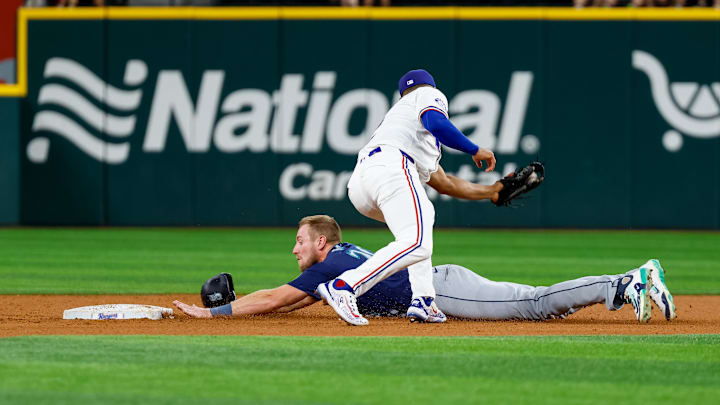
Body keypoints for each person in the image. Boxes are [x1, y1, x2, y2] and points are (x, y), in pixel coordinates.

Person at [173, 215, 677, 324]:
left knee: (535, 302)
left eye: (300, 241)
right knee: (532, 303)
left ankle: (627, 280)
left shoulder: (328, 266)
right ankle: (621, 283)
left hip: (442, 288)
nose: (295, 249)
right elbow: (297, 295)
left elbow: (279, 296)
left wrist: (216, 315)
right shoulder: (340, 265)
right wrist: (261, 309)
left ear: (322, 242)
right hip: (440, 282)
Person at [314, 68, 505, 326]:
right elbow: (436, 122)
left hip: (362, 184)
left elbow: (446, 183)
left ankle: (424, 300)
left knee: (421, 222)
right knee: (418, 242)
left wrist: (492, 191)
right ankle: (345, 285)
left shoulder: (402, 126)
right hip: (391, 168)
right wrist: (475, 148)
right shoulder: (427, 94)